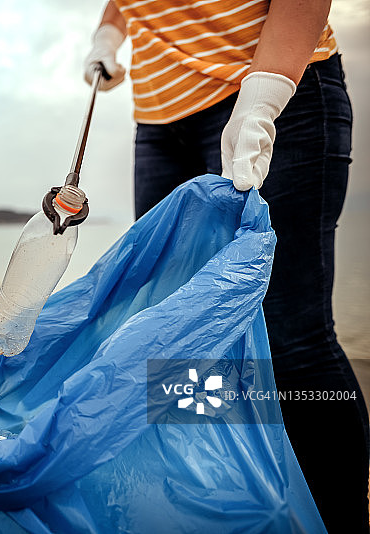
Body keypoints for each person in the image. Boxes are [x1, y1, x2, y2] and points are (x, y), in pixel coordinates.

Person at [84, 1, 369, 531]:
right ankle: (226, 507)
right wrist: (108, 33)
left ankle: (340, 519)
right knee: (177, 336)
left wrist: (260, 100)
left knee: (292, 339)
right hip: (158, 122)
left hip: (273, 92)